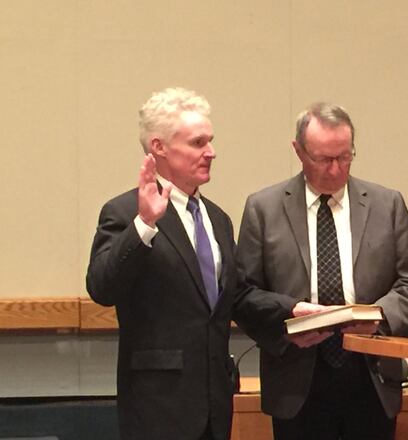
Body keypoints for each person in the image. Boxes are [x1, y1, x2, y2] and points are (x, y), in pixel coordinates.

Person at [86, 87, 318, 440]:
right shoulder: (124, 212)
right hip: (158, 406)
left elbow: (235, 296)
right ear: (158, 147)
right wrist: (144, 225)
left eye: (210, 141)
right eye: (197, 143)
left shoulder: (217, 218)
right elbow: (102, 288)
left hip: (215, 402)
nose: (211, 152)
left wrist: (291, 314)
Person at [235, 102, 408, 440]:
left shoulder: (387, 205)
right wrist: (290, 317)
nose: (335, 169)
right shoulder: (263, 209)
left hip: (371, 372)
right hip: (296, 375)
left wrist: (378, 317)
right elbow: (243, 294)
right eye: (323, 159)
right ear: (298, 151)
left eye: (345, 156)